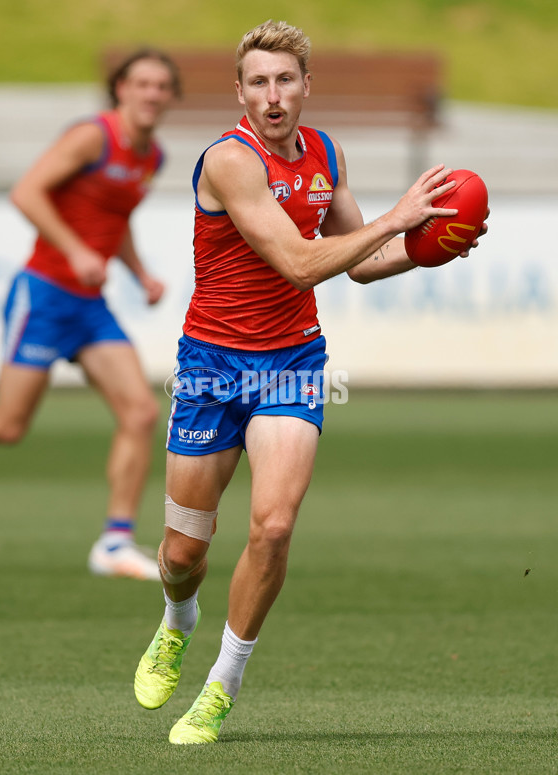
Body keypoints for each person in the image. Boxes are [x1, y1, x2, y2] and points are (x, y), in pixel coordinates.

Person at [133, 20, 488, 743]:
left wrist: (427, 252)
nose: (273, 95)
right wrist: (398, 219)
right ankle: (177, 620)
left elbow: (357, 261)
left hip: (292, 362)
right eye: (258, 82)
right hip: (211, 364)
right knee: (181, 554)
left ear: (305, 86)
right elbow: (299, 261)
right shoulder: (230, 162)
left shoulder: (326, 152)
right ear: (240, 92)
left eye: (285, 80)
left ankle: (221, 684)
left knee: (275, 524)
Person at [0, 48, 182, 581]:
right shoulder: (92, 136)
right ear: (120, 89)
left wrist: (139, 272)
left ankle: (113, 543)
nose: (151, 93)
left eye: (162, 86)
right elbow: (27, 192)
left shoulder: (153, 157)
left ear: (171, 97)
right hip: (44, 295)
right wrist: (77, 250)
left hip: (89, 305)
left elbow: (116, 215)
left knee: (142, 413)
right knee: (7, 426)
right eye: (141, 83)